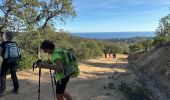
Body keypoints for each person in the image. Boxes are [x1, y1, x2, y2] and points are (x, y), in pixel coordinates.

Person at [0, 31, 20, 97]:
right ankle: (16, 89)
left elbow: (0, 52)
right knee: (14, 74)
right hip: (14, 61)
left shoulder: (3, 43)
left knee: (3, 75)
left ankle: (2, 91)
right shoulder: (15, 43)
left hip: (6, 61)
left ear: (6, 36)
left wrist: (3, 57)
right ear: (12, 36)